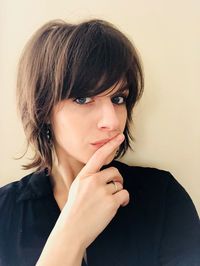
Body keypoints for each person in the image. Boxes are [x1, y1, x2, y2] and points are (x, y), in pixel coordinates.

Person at [0, 19, 199, 266]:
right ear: (43, 109)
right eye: (83, 99)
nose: (112, 121)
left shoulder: (163, 199)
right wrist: (70, 235)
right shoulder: (5, 213)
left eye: (118, 98)